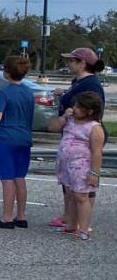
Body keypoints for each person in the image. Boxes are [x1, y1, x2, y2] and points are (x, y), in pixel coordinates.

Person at [46, 47, 107, 229]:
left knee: (83, 183)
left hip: (83, 137)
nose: (69, 63)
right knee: (69, 181)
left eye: (72, 60)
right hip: (71, 136)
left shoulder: (91, 84)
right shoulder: (78, 82)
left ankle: (83, 222)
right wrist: (63, 95)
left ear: (83, 63)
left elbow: (95, 108)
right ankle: (69, 218)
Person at [0, 55, 35, 229]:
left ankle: (7, 216)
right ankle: (21, 215)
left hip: (6, 138)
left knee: (7, 178)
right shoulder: (29, 93)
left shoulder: (4, 93)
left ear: (7, 71)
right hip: (24, 138)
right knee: (19, 177)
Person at [48, 91, 104, 241]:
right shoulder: (70, 120)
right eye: (75, 105)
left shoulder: (94, 127)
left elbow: (97, 152)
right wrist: (64, 117)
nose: (74, 108)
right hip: (66, 165)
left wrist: (94, 173)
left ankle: (84, 229)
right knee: (70, 194)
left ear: (90, 111)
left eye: (79, 107)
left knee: (81, 196)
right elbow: (52, 127)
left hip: (82, 167)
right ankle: (71, 225)